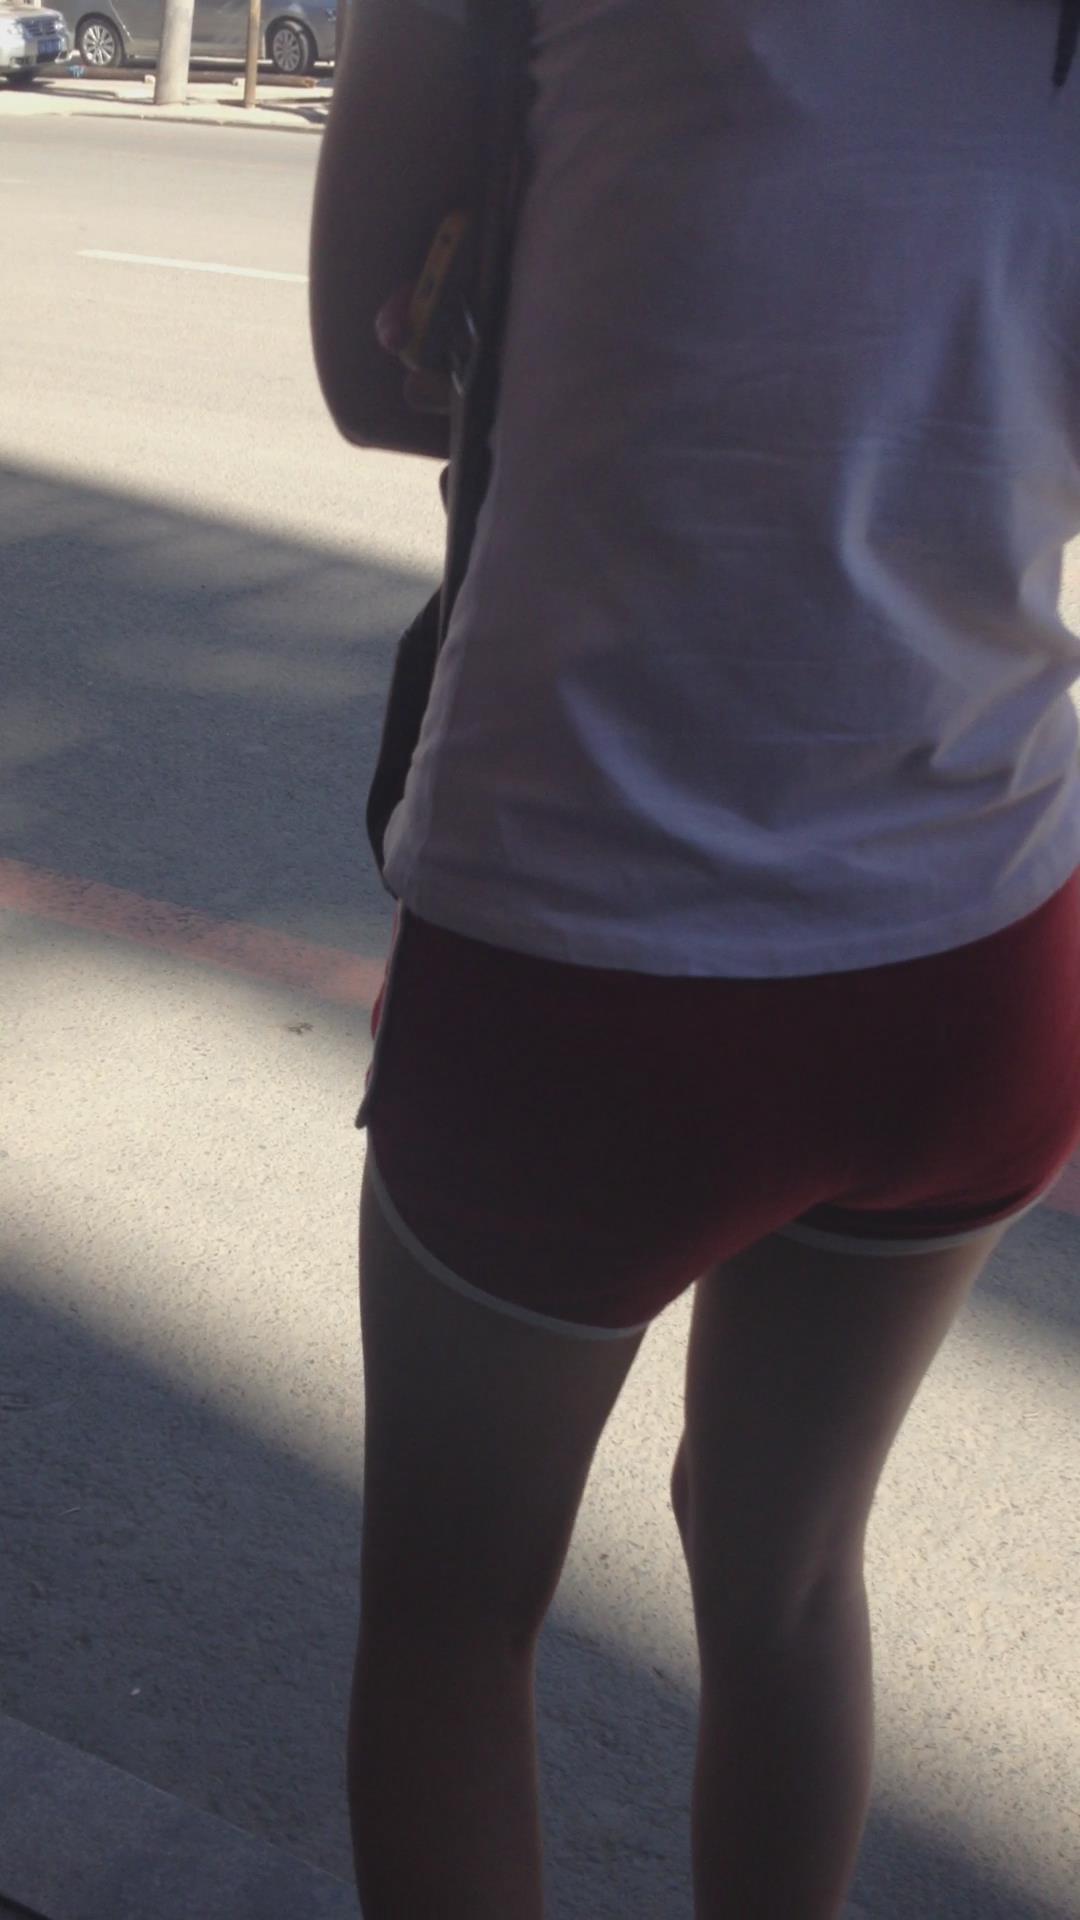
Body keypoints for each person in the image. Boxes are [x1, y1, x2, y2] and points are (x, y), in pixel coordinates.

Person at [309, 4, 1080, 1915]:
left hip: (585, 949)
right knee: (793, 1570)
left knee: (454, 1626)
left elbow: (371, 376)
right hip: (979, 940)